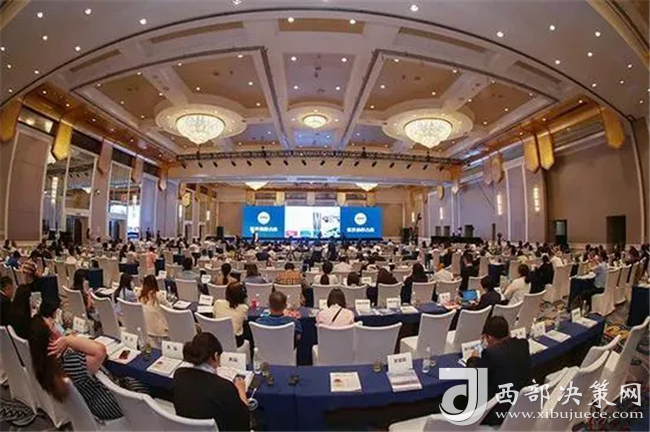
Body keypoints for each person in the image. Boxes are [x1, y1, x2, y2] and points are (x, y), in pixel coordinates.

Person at [29, 311, 124, 421]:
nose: (56, 325)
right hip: (110, 405)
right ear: (51, 339)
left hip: (94, 406)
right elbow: (100, 351)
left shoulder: (48, 365)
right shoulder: (70, 362)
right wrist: (68, 340)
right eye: (53, 325)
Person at [173, 332, 250, 431]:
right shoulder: (225, 388)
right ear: (216, 355)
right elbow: (244, 423)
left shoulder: (179, 374)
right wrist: (241, 390)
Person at [466, 316, 530, 425]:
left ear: (489, 338)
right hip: (521, 406)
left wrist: (473, 358)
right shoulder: (523, 344)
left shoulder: (491, 353)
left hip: (498, 413)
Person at [213, 283, 249, 347]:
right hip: (236, 341)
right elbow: (245, 319)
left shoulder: (217, 303)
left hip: (217, 340)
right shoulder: (244, 308)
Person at [138, 274, 170, 339]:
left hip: (146, 327)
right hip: (160, 330)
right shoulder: (158, 295)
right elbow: (169, 308)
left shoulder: (140, 294)